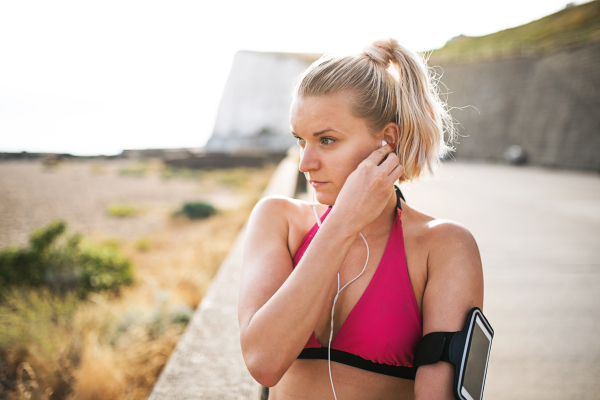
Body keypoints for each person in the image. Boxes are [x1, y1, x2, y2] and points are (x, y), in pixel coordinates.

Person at [238, 38, 484, 400]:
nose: (306, 163)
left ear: (386, 140)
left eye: (326, 140)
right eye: (300, 140)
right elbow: (263, 362)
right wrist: (343, 224)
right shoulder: (278, 220)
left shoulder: (444, 246)